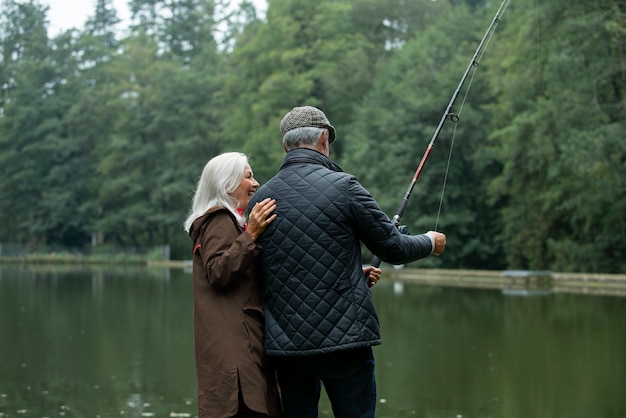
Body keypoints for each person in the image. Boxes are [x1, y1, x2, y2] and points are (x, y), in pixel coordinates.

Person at [248, 106, 446, 418]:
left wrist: (352, 272)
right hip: (346, 340)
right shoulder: (344, 187)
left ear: (285, 146)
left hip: (287, 345)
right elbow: (393, 248)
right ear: (324, 140)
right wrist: (430, 242)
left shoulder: (261, 199)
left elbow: (267, 267)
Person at [183, 152, 282, 418]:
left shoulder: (227, 222)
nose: (256, 183)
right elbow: (218, 271)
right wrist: (251, 234)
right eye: (248, 176)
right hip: (236, 359)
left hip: (239, 351)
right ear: (227, 184)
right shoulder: (219, 220)